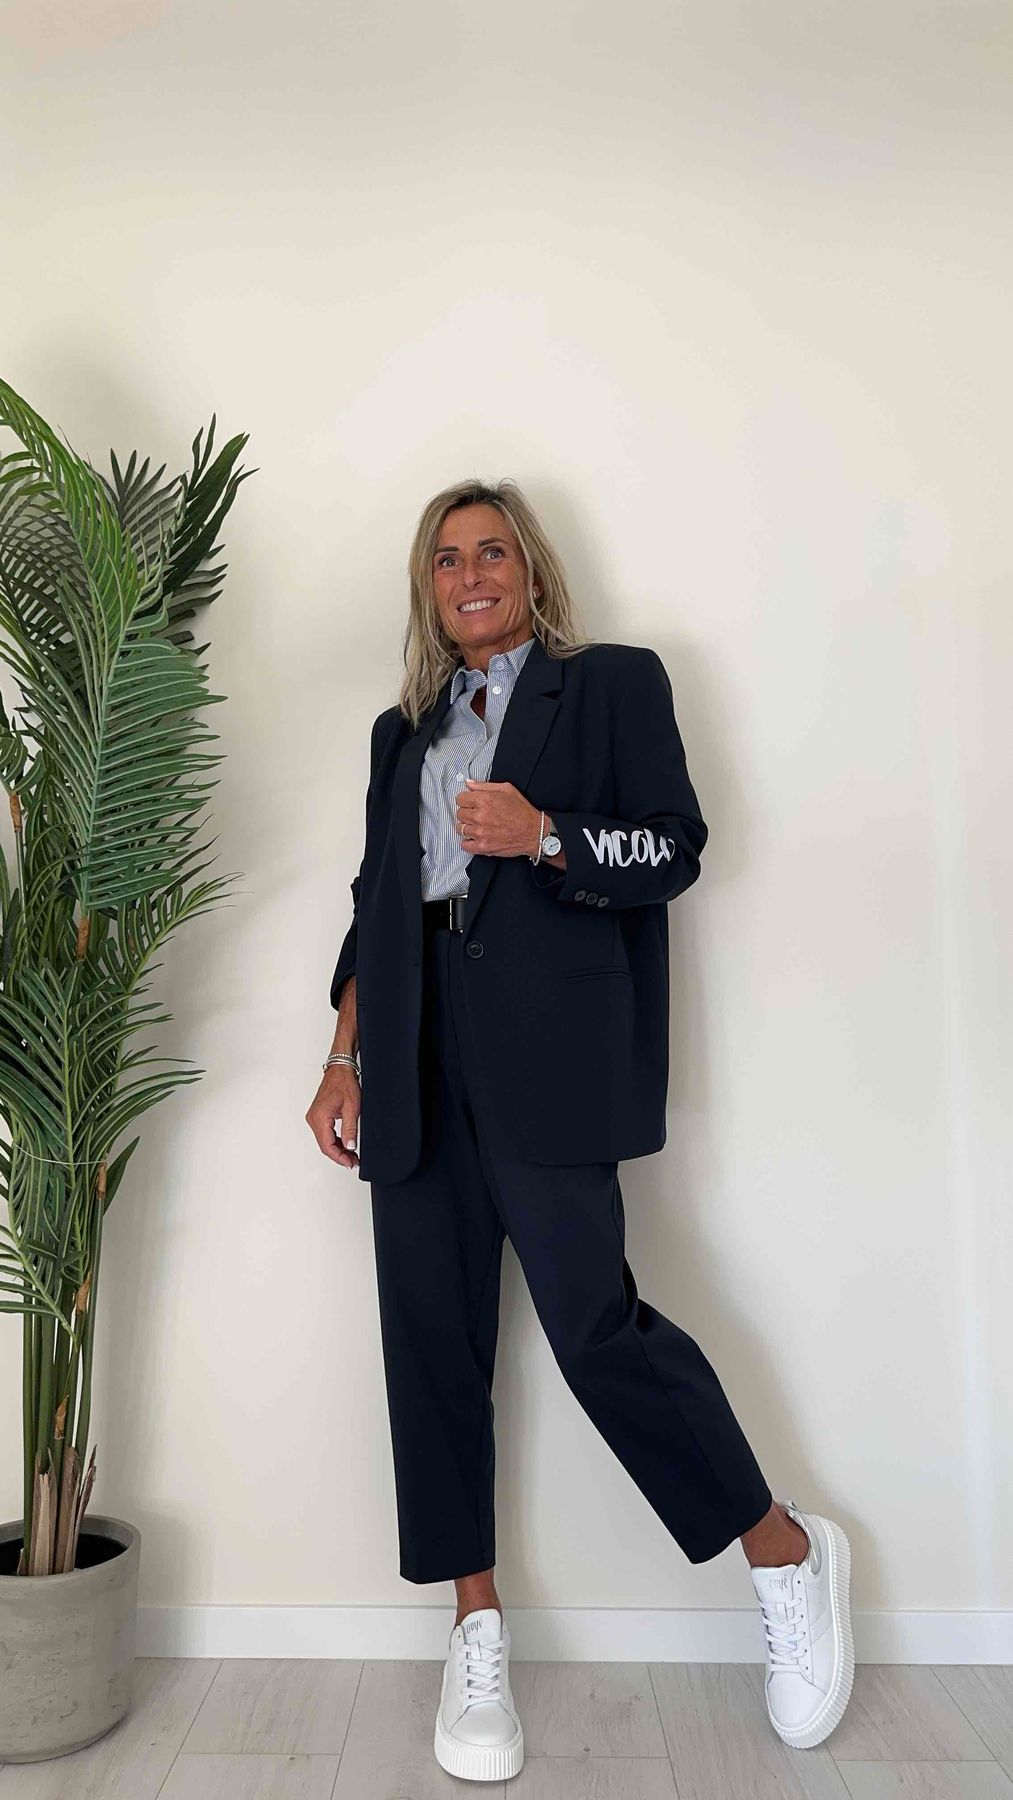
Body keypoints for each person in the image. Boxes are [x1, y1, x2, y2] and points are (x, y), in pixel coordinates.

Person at [305, 478, 855, 1783]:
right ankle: (474, 1629)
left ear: (531, 570)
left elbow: (676, 849)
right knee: (430, 1345)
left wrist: (544, 834)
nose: (471, 574)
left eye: (492, 550)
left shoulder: (611, 684)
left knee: (594, 1328)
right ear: (428, 589)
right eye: (447, 559)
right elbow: (375, 898)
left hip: (549, 1057)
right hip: (414, 1056)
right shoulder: (401, 733)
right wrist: (342, 1055)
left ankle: (782, 1552)